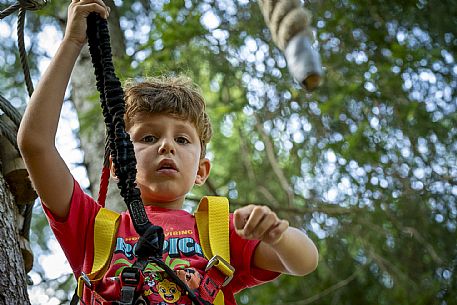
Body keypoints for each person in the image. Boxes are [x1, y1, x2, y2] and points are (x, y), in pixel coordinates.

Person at [17, 0, 319, 304]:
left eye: (183, 140)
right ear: (119, 163)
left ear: (201, 171)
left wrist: (277, 235)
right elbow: (35, 144)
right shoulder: (93, 230)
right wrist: (72, 42)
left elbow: (304, 261)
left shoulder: (220, 232)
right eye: (148, 137)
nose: (166, 145)